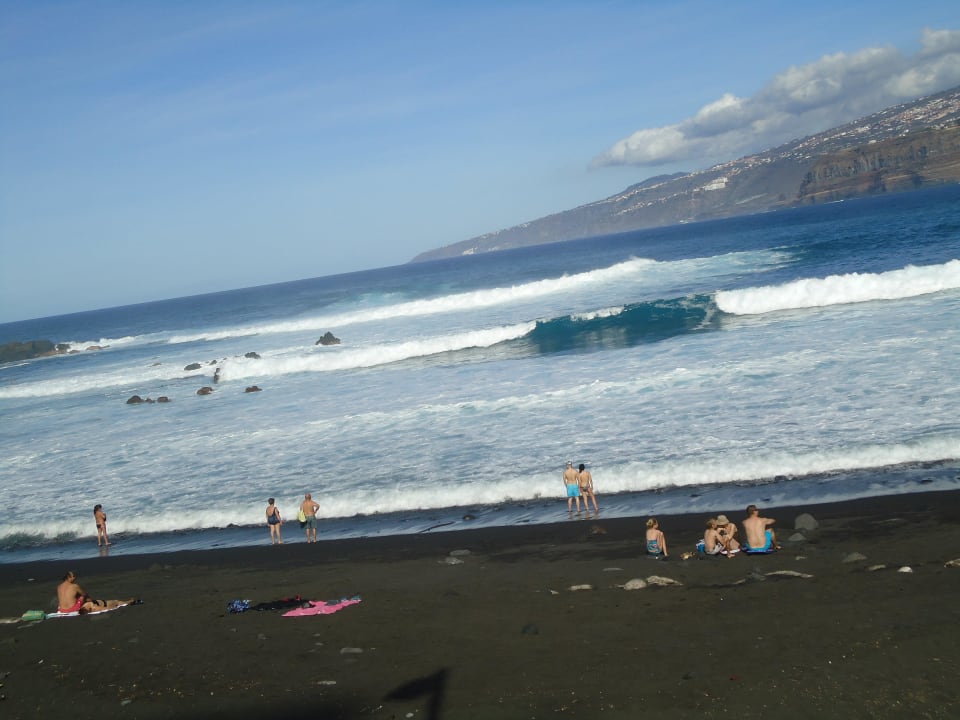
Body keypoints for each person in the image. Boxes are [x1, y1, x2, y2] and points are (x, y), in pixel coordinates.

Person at [57, 570, 134, 614]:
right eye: (73, 576)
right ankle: (121, 603)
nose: (75, 578)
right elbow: (84, 594)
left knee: (75, 596)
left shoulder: (59, 587)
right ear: (69, 578)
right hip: (72, 609)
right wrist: (90, 601)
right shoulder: (74, 586)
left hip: (62, 609)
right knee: (83, 597)